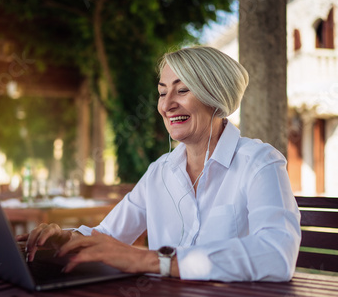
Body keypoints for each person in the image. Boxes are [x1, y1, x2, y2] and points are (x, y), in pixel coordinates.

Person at [17, 46, 301, 282]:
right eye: (162, 92)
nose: (166, 106)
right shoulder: (160, 171)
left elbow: (277, 254)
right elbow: (108, 235)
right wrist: (63, 238)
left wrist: (154, 260)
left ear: (215, 97)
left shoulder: (260, 163)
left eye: (182, 90)